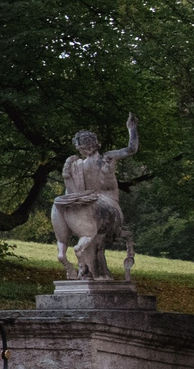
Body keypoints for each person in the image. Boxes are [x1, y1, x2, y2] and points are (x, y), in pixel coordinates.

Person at [52, 116, 138, 279]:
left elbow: (72, 190)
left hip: (90, 200)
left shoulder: (79, 165)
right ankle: (95, 269)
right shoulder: (107, 157)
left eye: (82, 149)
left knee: (95, 240)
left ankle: (91, 269)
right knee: (108, 234)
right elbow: (131, 149)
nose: (82, 152)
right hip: (107, 203)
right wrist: (132, 129)